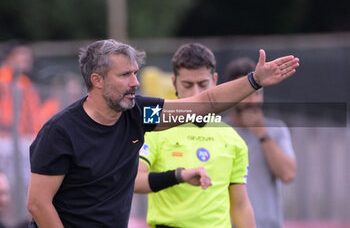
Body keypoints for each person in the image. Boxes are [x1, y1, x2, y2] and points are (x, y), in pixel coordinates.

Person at [27, 39, 299, 228]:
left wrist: (255, 80)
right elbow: (38, 204)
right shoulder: (61, 132)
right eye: (125, 75)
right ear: (96, 80)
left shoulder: (139, 114)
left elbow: (205, 105)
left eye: (135, 73)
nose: (135, 82)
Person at [134, 43, 256, 228]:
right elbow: (133, 181)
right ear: (174, 82)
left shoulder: (232, 139)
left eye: (202, 84)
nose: (196, 94)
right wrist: (178, 176)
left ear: (215, 81)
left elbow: (240, 206)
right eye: (187, 85)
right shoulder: (156, 129)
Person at [224, 57, 297, 228]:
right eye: (246, 94)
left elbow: (288, 174)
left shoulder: (276, 130)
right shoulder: (218, 131)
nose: (253, 101)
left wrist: (262, 134)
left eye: (257, 93)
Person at [0, 41, 59, 135]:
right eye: (21, 53)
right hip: (7, 136)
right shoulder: (3, 78)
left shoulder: (25, 81)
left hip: (24, 136)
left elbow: (37, 115)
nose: (27, 57)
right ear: (9, 58)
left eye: (28, 54)